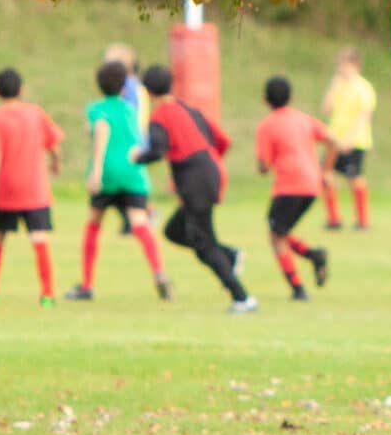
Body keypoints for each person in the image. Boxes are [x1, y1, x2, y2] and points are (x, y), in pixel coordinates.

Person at [137, 64, 255, 312]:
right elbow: (223, 141)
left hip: (196, 179)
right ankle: (230, 256)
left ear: (147, 92)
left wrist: (136, 157)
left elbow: (157, 151)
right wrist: (209, 167)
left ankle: (242, 298)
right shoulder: (189, 110)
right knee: (175, 231)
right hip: (209, 172)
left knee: (203, 243)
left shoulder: (159, 117)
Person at [67, 59, 171, 302]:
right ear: (125, 86)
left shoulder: (96, 109)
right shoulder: (130, 109)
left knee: (94, 224)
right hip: (133, 170)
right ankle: (159, 271)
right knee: (139, 222)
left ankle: (87, 284)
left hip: (108, 171)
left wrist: (96, 171)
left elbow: (100, 131)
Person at [0, 67, 63, 306]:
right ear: (22, 89)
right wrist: (56, 162)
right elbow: (53, 143)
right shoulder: (35, 114)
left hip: (7, 190)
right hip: (35, 189)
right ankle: (47, 293)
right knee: (39, 238)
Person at [256, 77, 334, 299]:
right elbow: (333, 140)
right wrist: (326, 171)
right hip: (312, 185)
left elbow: (264, 166)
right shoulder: (303, 119)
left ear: (265, 100)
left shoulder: (267, 125)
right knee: (279, 232)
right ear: (291, 97)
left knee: (276, 237)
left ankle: (298, 288)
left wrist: (262, 164)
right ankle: (314, 256)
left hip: (289, 186)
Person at [319, 50, 378, 231]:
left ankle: (362, 220)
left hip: (355, 141)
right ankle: (334, 219)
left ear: (355, 66)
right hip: (334, 139)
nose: (341, 69)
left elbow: (364, 116)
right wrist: (332, 87)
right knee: (325, 175)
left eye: (344, 65)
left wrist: (350, 139)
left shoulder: (363, 88)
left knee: (355, 178)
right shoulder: (338, 86)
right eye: (339, 65)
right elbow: (326, 109)